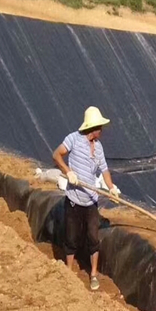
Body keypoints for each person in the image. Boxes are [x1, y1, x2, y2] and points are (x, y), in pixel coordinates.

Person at [52, 106, 121, 291]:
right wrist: (68, 172)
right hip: (74, 200)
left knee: (93, 238)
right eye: (99, 127)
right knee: (72, 238)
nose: (101, 131)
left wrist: (111, 187)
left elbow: (104, 170)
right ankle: (68, 272)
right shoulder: (73, 139)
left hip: (91, 201)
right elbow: (56, 155)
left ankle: (93, 275)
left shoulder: (98, 147)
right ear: (92, 127)